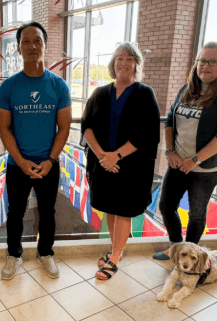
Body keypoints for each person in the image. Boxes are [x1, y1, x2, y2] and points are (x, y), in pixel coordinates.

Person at [153, 42, 217, 260]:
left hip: (207, 167)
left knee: (196, 214)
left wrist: (195, 160)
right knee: (166, 206)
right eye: (202, 60)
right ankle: (177, 247)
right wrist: (170, 151)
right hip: (178, 163)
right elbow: (169, 121)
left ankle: (191, 254)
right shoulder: (187, 89)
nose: (205, 65)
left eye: (213, 61)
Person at [0, 21, 72, 280]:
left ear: (45, 46)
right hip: (18, 165)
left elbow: (64, 127)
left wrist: (51, 160)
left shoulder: (59, 86)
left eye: (37, 40)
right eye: (25, 42)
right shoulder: (9, 87)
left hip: (48, 163)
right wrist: (20, 160)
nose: (32, 46)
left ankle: (45, 253)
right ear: (18, 48)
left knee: (48, 212)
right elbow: (4, 129)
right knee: (15, 212)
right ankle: (14, 255)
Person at [81, 43, 160, 280]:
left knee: (124, 210)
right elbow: (87, 127)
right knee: (110, 208)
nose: (123, 63)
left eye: (128, 59)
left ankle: (115, 256)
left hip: (131, 166)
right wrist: (102, 156)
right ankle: (116, 249)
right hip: (103, 163)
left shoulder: (145, 93)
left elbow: (147, 133)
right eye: (118, 58)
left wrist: (115, 156)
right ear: (112, 63)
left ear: (136, 63)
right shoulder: (99, 93)